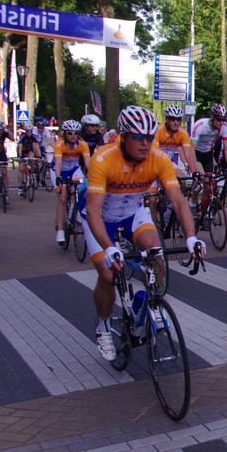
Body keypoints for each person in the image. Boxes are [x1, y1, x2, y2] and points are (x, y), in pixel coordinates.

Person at [83, 106, 204, 360]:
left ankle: (153, 304)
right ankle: (103, 326)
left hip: (131, 213)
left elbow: (178, 201)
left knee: (155, 250)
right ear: (123, 136)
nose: (145, 143)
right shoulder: (103, 159)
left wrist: (191, 237)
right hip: (99, 218)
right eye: (138, 137)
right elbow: (93, 210)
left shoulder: (158, 158)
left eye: (149, 137)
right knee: (107, 274)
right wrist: (109, 248)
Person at [53, 120, 91, 245]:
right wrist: (58, 177)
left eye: (75, 133)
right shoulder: (59, 144)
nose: (72, 136)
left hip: (74, 170)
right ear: (65, 133)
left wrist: (93, 175)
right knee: (63, 198)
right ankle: (60, 230)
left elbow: (88, 163)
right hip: (59, 170)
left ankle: (76, 210)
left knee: (81, 189)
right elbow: (58, 163)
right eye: (69, 133)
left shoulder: (82, 144)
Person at [153, 104, 196, 177]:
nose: (176, 122)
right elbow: (154, 151)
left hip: (168, 162)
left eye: (178, 119)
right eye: (172, 119)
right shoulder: (158, 130)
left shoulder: (183, 133)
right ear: (167, 119)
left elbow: (188, 154)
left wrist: (193, 172)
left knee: (181, 178)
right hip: (154, 161)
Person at [191, 103, 227, 175]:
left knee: (209, 179)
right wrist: (193, 168)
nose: (221, 122)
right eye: (219, 119)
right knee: (201, 176)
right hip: (196, 153)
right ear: (212, 116)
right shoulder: (200, 125)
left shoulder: (224, 127)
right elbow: (192, 149)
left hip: (208, 154)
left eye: (223, 119)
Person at [15, 122, 41, 196]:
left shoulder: (33, 136)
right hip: (22, 151)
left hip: (29, 150)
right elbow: (20, 146)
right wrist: (20, 156)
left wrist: (39, 156)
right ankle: (20, 187)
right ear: (25, 131)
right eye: (27, 131)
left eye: (30, 131)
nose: (29, 132)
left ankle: (31, 171)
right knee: (21, 168)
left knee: (32, 158)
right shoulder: (22, 136)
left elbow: (37, 146)